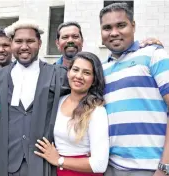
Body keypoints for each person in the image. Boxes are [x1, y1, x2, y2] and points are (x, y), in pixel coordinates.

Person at [0, 19, 70, 176]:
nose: (24, 46)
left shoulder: (58, 75)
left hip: (42, 162)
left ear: (39, 43)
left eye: (30, 41)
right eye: (18, 41)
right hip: (6, 162)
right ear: (11, 43)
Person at [100, 3, 169, 176]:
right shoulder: (102, 69)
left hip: (151, 168)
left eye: (121, 25)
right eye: (107, 28)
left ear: (133, 26)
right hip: (111, 167)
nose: (114, 32)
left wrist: (164, 167)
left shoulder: (154, 54)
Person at [35, 52, 109, 176]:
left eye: (86, 73)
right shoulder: (57, 101)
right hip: (56, 172)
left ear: (94, 80)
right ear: (68, 72)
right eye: (75, 70)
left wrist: (59, 160)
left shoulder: (96, 111)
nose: (79, 76)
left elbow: (99, 164)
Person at [54, 21, 164, 68]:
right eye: (65, 37)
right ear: (58, 44)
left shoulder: (97, 69)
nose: (70, 41)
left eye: (75, 36)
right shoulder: (47, 73)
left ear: (82, 42)